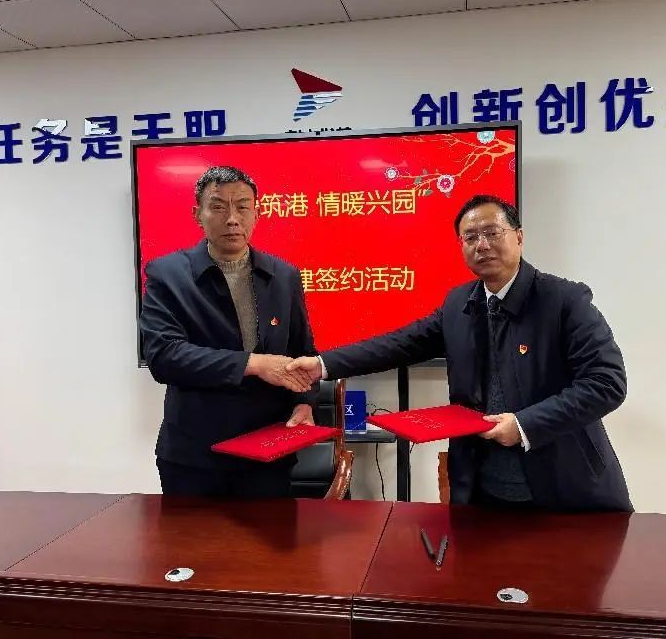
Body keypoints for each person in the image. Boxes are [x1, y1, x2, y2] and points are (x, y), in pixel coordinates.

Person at [289, 194, 631, 511]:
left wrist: (524, 424)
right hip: (484, 489)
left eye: (492, 233)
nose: (482, 245)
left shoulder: (564, 301)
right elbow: (399, 344)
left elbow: (607, 383)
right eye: (470, 237)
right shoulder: (459, 303)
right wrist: (322, 364)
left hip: (564, 488)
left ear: (519, 237)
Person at [140, 165, 317, 498]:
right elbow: (163, 357)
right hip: (195, 457)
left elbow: (302, 352)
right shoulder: (168, 274)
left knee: (272, 534)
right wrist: (254, 363)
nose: (232, 219)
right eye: (218, 207)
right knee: (192, 536)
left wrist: (304, 403)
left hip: (268, 454)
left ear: (257, 213)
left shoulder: (284, 276)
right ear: (198, 214)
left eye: (243, 207)